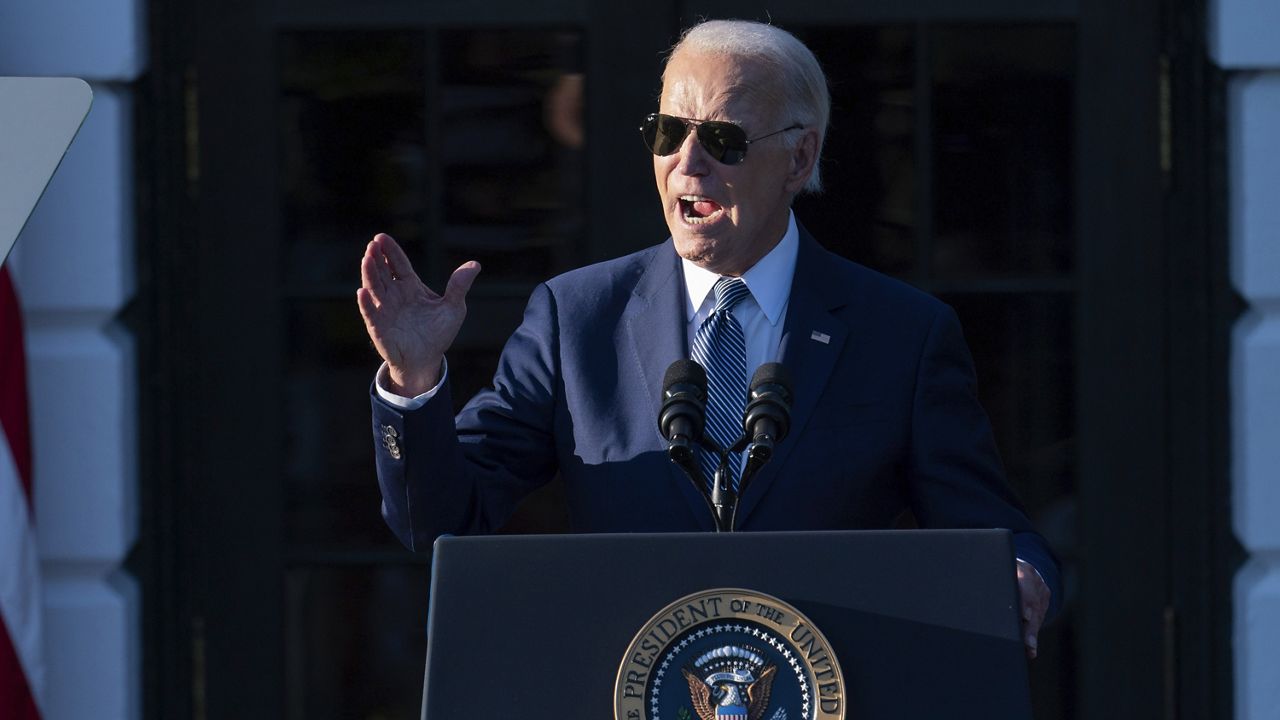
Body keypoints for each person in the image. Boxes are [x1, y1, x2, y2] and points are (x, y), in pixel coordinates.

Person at [357, 19, 1059, 658]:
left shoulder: (899, 333)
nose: (688, 165)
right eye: (668, 133)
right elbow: (442, 518)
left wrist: (1022, 575)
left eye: (722, 140)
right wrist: (414, 382)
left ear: (799, 158)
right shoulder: (578, 317)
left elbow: (991, 530)